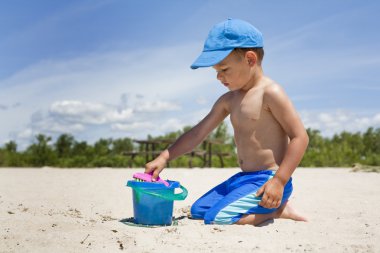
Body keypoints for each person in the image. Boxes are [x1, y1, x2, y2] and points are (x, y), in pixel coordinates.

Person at [145, 18, 308, 226]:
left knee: (218, 217)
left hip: (268, 180)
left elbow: (300, 137)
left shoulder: (270, 93)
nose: (219, 78)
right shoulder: (228, 100)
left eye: (224, 69)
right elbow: (198, 133)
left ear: (250, 59)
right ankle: (265, 206)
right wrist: (164, 157)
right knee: (198, 211)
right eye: (216, 72)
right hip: (243, 179)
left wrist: (279, 180)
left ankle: (277, 210)